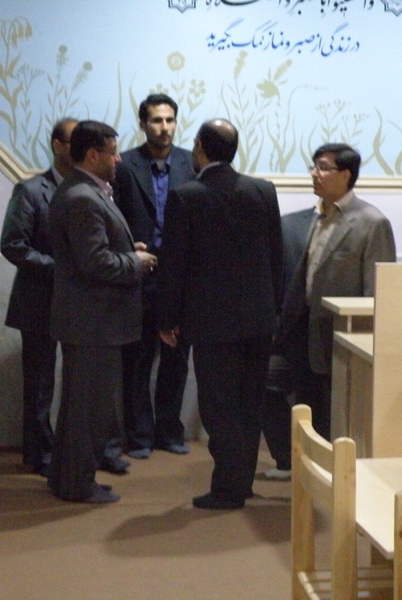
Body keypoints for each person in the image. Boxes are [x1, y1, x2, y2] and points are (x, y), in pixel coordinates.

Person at [157, 119, 283, 510]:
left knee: (218, 406)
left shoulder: (185, 197)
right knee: (249, 404)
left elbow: (174, 265)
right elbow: (276, 257)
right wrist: (274, 310)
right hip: (259, 319)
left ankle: (228, 488)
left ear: (199, 148)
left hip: (211, 323)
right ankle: (241, 481)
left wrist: (166, 319)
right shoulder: (262, 191)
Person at [47, 120, 157, 504]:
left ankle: (65, 478)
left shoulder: (83, 191)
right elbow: (95, 263)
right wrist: (135, 262)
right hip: (93, 322)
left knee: (78, 407)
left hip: (89, 321)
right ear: (93, 155)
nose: (119, 159)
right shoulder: (83, 197)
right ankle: (79, 483)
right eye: (113, 152)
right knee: (88, 410)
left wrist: (127, 249)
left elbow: (94, 252)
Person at [275, 143, 396, 440]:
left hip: (341, 335)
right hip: (303, 330)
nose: (314, 174)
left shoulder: (372, 222)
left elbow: (377, 291)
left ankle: (330, 465)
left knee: (334, 417)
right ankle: (294, 460)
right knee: (296, 401)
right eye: (314, 166)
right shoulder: (317, 216)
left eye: (324, 168)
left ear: (345, 175)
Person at [113, 93, 196, 459]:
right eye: (157, 120)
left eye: (170, 120)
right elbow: (113, 216)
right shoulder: (125, 164)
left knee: (176, 359)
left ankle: (169, 431)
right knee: (137, 361)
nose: (164, 127)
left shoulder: (190, 163)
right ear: (143, 124)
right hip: (139, 275)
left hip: (180, 277)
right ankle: (140, 435)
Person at [0, 118, 77, 478]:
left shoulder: (89, 190)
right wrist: (58, 268)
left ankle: (73, 449)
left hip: (79, 302)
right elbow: (13, 245)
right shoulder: (30, 190)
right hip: (37, 300)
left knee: (80, 380)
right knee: (40, 383)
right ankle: (39, 453)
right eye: (74, 142)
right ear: (58, 146)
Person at [259, 207, 315, 481]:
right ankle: (287, 459)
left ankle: (320, 465)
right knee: (262, 381)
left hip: (334, 337)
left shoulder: (368, 221)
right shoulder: (289, 225)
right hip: (288, 334)